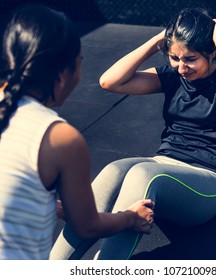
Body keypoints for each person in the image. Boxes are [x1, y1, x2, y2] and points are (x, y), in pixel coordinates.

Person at [50, 7, 216, 260]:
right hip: (164, 165)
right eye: (175, 58)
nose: (182, 67)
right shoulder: (171, 77)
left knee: (144, 174)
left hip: (207, 183)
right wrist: (159, 40)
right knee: (115, 169)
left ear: (212, 53)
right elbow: (109, 82)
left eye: (191, 59)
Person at [0, 4, 154, 260]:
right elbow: (88, 226)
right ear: (63, 74)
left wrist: (52, 204)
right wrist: (130, 218)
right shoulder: (60, 138)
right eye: (80, 63)